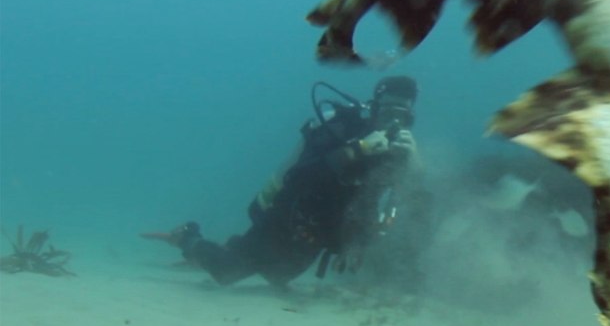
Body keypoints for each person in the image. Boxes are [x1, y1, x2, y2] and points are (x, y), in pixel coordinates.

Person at [144, 76, 422, 288]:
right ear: (373, 110)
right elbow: (298, 178)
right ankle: (187, 236)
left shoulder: (397, 153)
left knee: (277, 277)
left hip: (317, 235)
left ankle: (217, 254)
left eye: (403, 117)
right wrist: (358, 149)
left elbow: (379, 204)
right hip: (285, 217)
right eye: (387, 114)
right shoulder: (340, 129)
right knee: (227, 273)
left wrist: (413, 165)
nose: (394, 123)